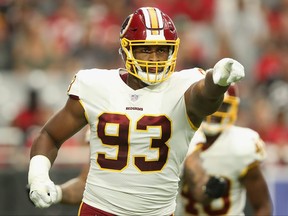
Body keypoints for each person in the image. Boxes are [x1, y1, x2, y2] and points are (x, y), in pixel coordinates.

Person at [27, 7, 245, 216]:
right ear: (126, 49)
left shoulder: (184, 85)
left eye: (162, 49)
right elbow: (50, 135)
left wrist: (218, 81)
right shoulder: (95, 85)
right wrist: (38, 175)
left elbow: (204, 99)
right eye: (145, 49)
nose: (154, 58)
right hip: (98, 211)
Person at [177, 84, 273, 216]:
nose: (215, 111)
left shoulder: (242, 144)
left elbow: (262, 206)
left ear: (232, 107)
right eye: (211, 104)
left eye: (222, 105)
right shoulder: (180, 136)